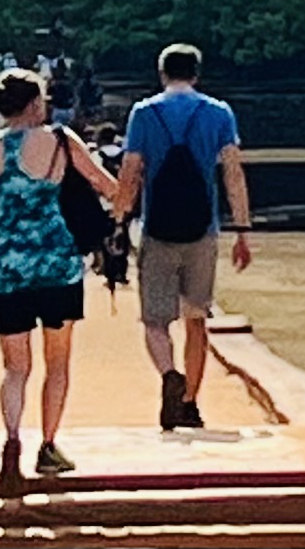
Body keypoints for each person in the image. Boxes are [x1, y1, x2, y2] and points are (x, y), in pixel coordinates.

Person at [0, 65, 119, 490]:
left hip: (8, 269)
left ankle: (12, 439)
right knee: (57, 363)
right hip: (56, 264)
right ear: (36, 103)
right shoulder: (59, 139)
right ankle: (49, 445)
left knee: (15, 367)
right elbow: (104, 185)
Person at [112, 41, 252, 432]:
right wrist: (242, 229)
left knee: (156, 320)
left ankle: (169, 374)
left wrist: (119, 218)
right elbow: (232, 174)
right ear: (196, 73)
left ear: (162, 73)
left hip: (158, 227)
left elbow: (131, 170)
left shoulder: (144, 113)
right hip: (202, 228)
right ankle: (190, 401)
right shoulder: (218, 113)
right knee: (196, 319)